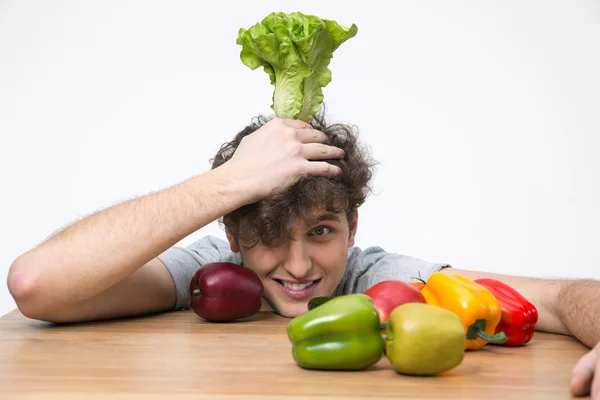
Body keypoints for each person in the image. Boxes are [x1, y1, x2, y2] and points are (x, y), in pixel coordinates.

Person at [6, 111, 599, 398]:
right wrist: (227, 185)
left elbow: (556, 297)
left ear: (352, 225)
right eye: (268, 234)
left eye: (319, 232)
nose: (296, 267)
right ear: (234, 234)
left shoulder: (375, 279)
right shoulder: (211, 270)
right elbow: (35, 283)